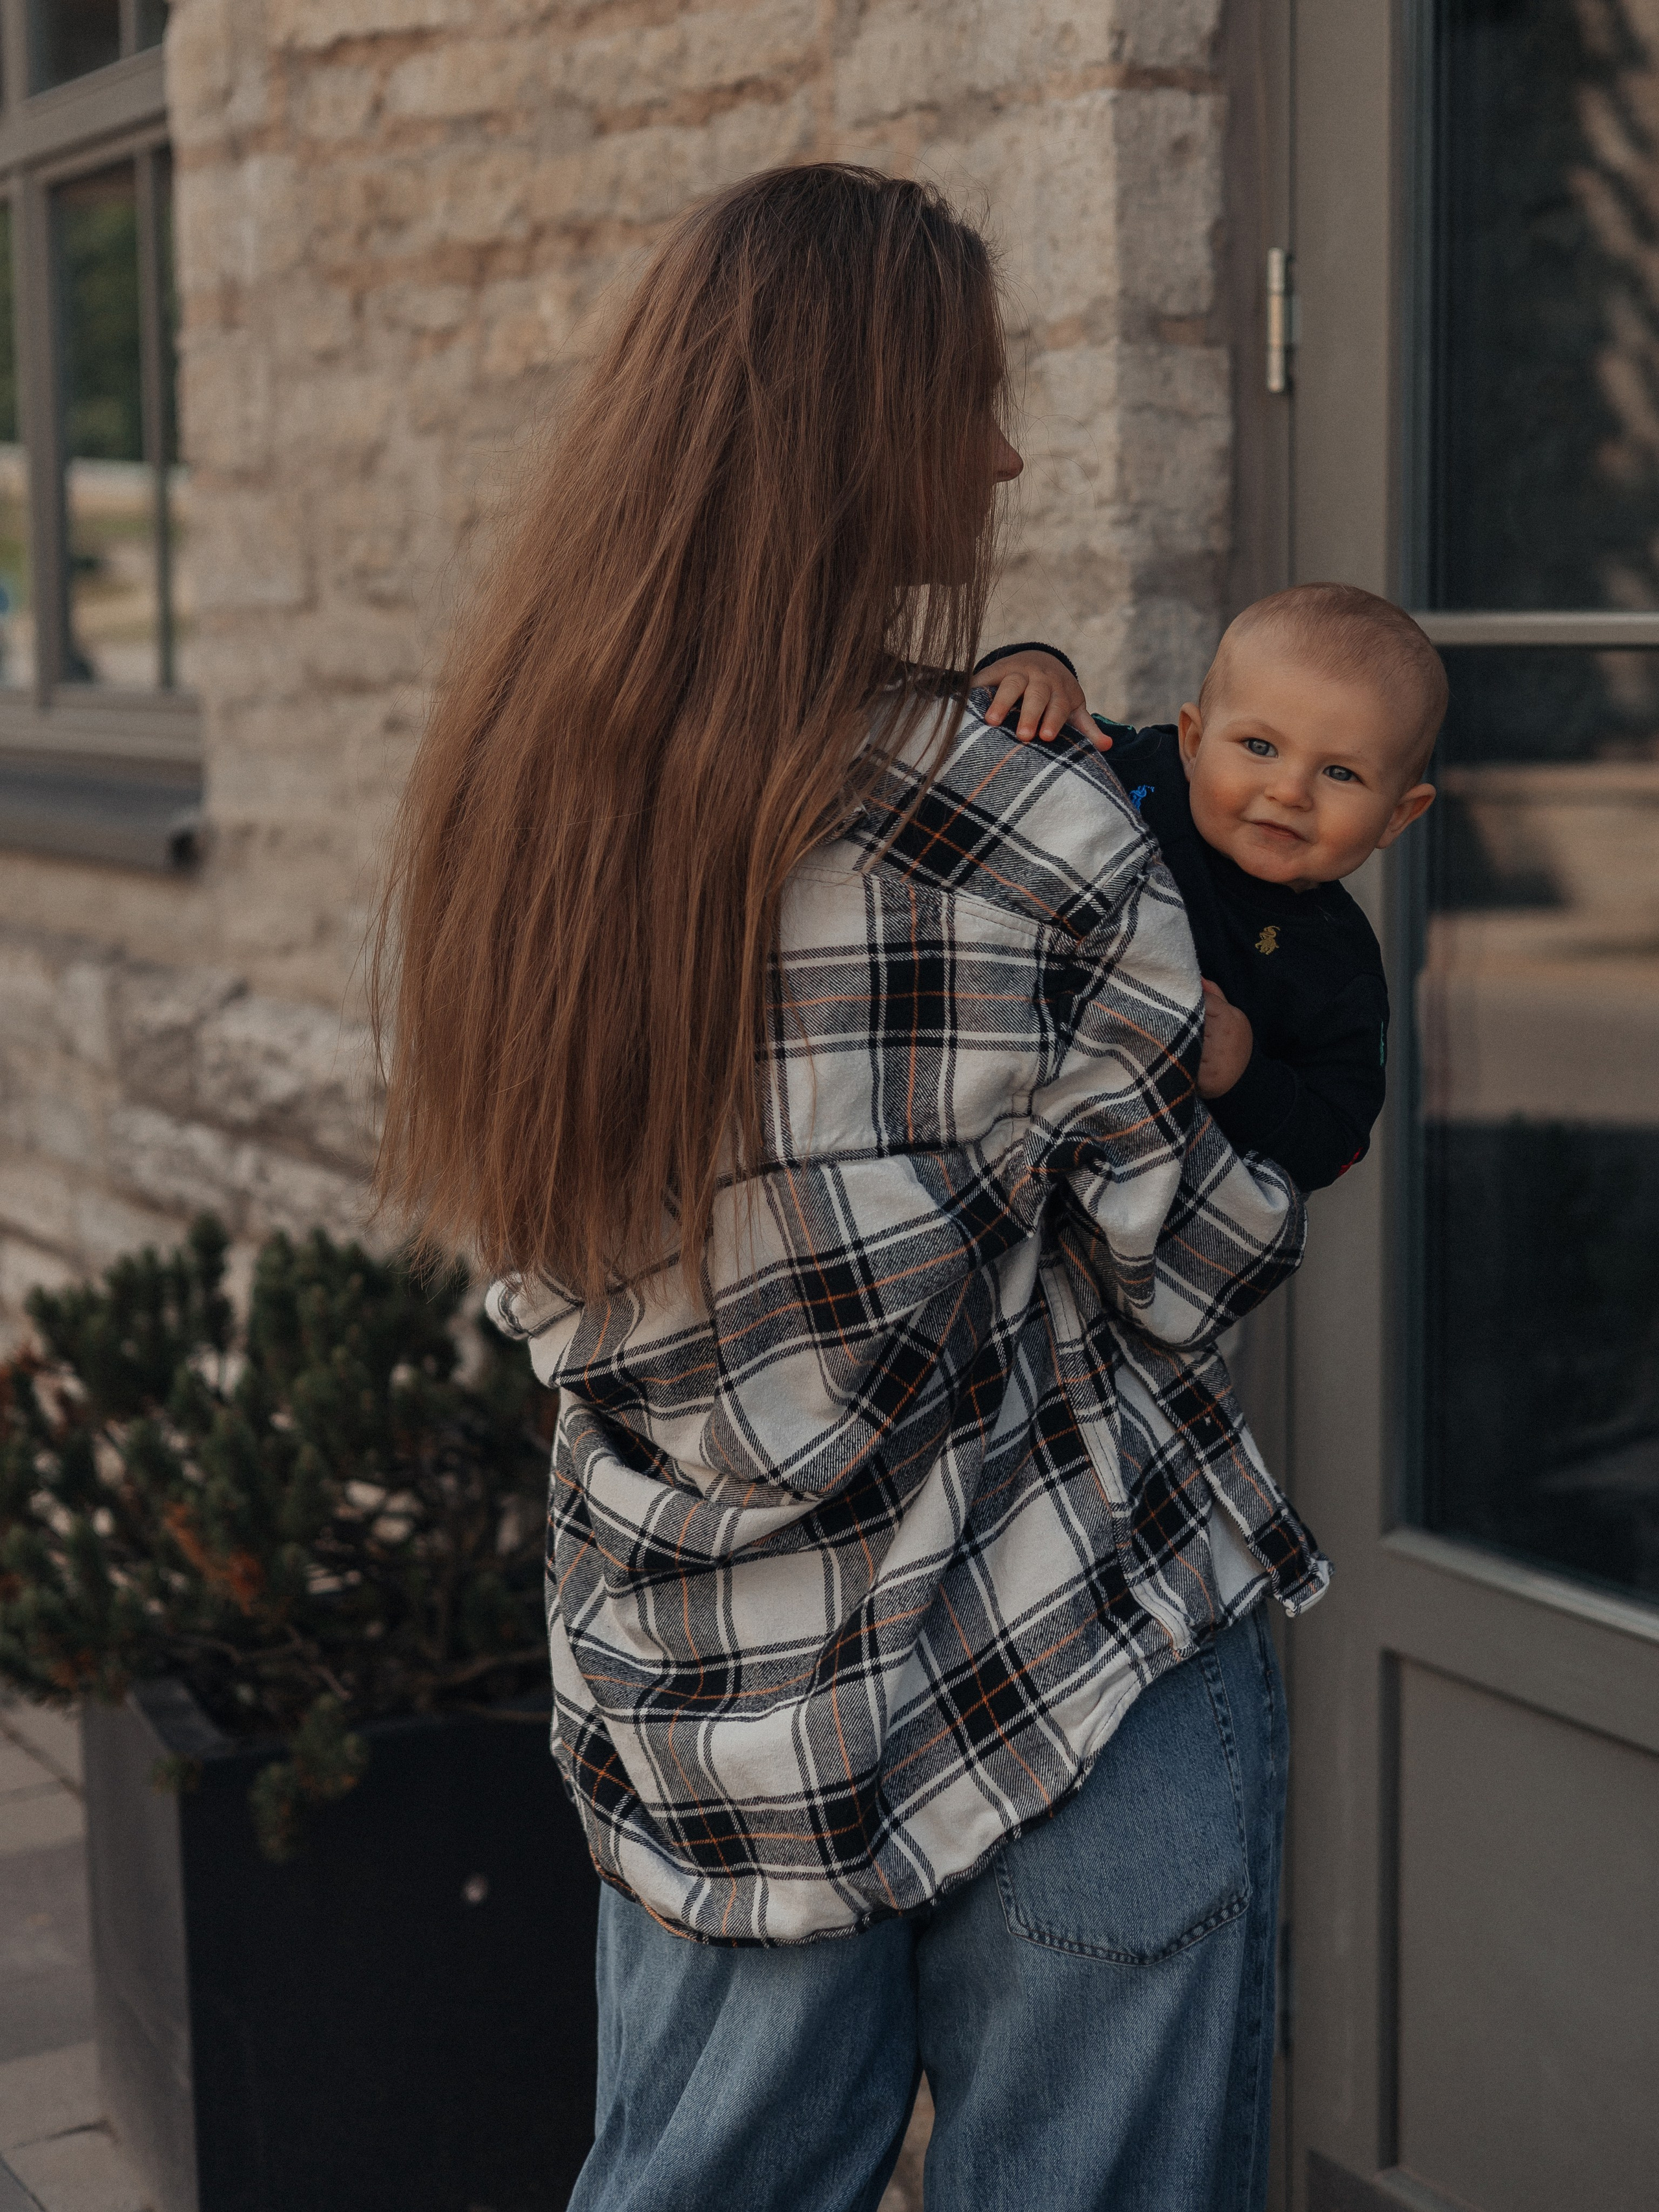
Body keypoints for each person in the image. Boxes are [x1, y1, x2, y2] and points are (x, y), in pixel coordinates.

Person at [373, 162, 1328, 2212]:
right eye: (969, 399)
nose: (1001, 452)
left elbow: (533, 1264)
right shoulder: (1022, 823)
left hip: (715, 1698)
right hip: (1068, 1642)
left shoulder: (504, 809)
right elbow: (1184, 1270)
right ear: (854, 435)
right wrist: (1266, 1078)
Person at [973, 590, 1443, 1192]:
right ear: (1194, 742)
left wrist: (1247, 1076)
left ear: (1399, 816)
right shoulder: (1142, 774)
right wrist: (1035, 663)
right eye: (1260, 747)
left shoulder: (1337, 968)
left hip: (1121, 1191)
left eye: (1340, 773)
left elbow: (1336, 1139)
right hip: (991, 1074)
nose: (1290, 791)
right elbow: (1021, 729)